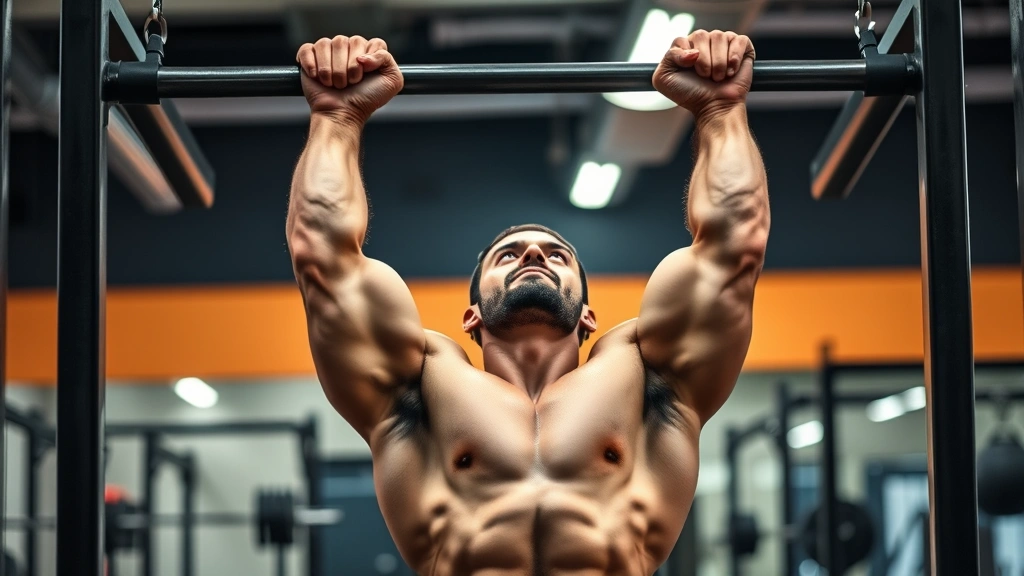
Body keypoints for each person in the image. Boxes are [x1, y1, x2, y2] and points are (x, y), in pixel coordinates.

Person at [287, 30, 769, 576]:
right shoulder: (420, 387)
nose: (534, 253)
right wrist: (335, 118)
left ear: (589, 314)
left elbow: (734, 245)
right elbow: (323, 260)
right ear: (471, 316)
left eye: (557, 255)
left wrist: (721, 108)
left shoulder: (645, 376)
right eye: (508, 254)